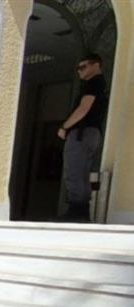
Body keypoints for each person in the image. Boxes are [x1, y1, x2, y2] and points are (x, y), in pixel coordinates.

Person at [57, 53, 109, 222]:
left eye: (83, 66)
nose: (79, 70)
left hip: (83, 132)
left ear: (96, 65)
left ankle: (76, 211)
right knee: (82, 172)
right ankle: (81, 212)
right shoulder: (99, 84)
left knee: (74, 170)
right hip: (91, 133)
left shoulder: (94, 83)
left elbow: (84, 108)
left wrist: (65, 127)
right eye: (78, 68)